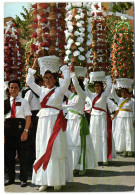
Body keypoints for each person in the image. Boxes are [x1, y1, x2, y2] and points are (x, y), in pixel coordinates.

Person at [26, 58, 73, 192]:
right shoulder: (41, 90)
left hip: (55, 124)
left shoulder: (59, 90)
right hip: (43, 123)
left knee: (55, 150)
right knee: (42, 148)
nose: (47, 80)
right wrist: (33, 66)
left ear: (55, 78)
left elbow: (67, 80)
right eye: (45, 78)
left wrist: (64, 66)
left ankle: (57, 180)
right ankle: (44, 181)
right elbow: (29, 81)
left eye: (50, 77)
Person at [62, 65, 97, 176]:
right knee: (70, 143)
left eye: (74, 85)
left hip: (78, 121)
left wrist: (73, 74)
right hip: (70, 122)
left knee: (79, 144)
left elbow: (77, 85)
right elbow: (63, 88)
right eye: (71, 86)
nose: (72, 87)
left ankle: (82, 166)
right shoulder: (71, 95)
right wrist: (64, 72)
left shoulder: (82, 94)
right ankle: (73, 167)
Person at [4, 78, 31, 187]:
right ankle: (10, 178)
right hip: (8, 129)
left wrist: (25, 131)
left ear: (19, 89)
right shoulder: (5, 103)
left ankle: (23, 179)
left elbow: (28, 117)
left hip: (20, 129)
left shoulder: (24, 101)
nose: (13, 89)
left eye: (15, 87)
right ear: (9, 89)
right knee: (9, 156)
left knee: (23, 156)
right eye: (11, 87)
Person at [84, 72, 112, 165]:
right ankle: (94, 158)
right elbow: (84, 88)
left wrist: (107, 76)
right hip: (93, 118)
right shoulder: (91, 95)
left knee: (102, 136)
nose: (97, 87)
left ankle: (104, 159)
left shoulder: (104, 95)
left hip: (102, 117)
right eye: (95, 86)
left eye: (98, 86)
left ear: (101, 86)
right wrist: (87, 79)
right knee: (93, 136)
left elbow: (110, 85)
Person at [24, 76, 43, 173]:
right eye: (42, 82)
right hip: (32, 117)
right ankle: (29, 167)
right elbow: (26, 105)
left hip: (40, 116)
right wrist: (29, 120)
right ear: (38, 83)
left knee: (39, 140)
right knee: (31, 142)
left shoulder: (42, 92)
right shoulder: (30, 92)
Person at [111, 84, 135, 157]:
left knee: (129, 133)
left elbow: (134, 111)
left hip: (128, 118)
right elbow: (112, 93)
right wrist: (114, 84)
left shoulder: (132, 101)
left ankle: (130, 150)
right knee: (122, 133)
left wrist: (134, 120)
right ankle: (124, 149)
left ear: (128, 93)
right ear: (120, 93)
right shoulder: (119, 99)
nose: (123, 93)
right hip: (120, 118)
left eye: (125, 92)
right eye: (122, 92)